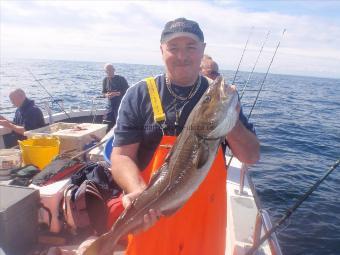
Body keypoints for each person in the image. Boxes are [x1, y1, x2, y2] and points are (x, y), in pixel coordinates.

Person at [105, 17, 260, 255]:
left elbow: (251, 156)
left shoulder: (222, 99)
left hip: (205, 225)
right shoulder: (138, 95)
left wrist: (232, 122)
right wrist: (138, 192)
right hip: (152, 219)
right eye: (173, 48)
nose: (182, 56)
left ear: (202, 50)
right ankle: (107, 243)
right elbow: (121, 156)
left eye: (191, 47)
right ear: (161, 50)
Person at [102, 63, 129, 132]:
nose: (108, 72)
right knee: (106, 123)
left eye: (110, 70)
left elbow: (128, 91)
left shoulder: (121, 79)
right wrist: (106, 95)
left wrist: (117, 93)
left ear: (114, 70)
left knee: (119, 124)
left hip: (120, 106)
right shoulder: (105, 80)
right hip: (110, 106)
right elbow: (103, 92)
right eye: (107, 71)